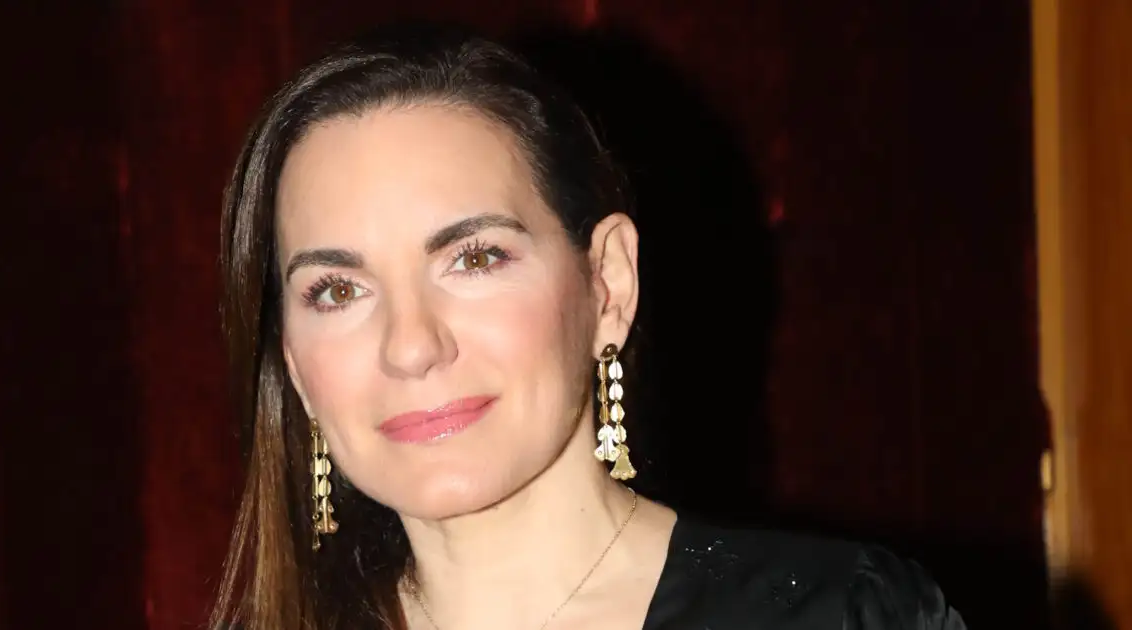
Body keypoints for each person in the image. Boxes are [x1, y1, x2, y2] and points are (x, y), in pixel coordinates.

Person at [211, 23, 967, 630]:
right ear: (294, 364)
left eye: (474, 258)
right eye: (338, 290)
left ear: (609, 282)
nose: (411, 346)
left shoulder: (845, 616)